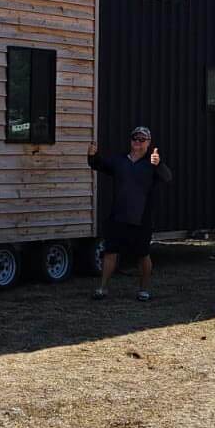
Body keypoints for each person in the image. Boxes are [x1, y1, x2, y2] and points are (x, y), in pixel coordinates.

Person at [87, 126, 173, 302]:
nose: (138, 142)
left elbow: (167, 177)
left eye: (142, 139)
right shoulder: (120, 161)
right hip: (118, 215)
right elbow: (98, 165)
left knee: (143, 254)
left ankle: (143, 290)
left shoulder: (152, 162)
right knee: (110, 252)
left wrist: (159, 164)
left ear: (148, 143)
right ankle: (102, 288)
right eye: (135, 138)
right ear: (131, 140)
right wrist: (92, 155)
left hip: (142, 218)